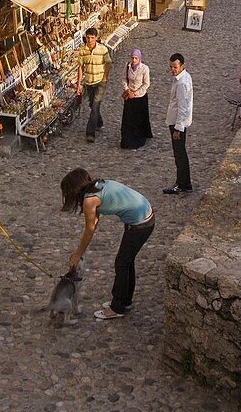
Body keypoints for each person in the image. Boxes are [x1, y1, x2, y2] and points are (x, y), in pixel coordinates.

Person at [62, 168, 155, 321]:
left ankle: (117, 307)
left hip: (140, 224)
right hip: (145, 216)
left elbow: (89, 230)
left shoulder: (89, 201)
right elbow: (94, 222)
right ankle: (125, 300)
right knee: (126, 261)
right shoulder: (99, 185)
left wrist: (77, 254)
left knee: (122, 263)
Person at [163, 53, 193, 194]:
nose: (172, 70)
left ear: (182, 66)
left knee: (179, 154)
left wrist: (178, 128)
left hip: (177, 122)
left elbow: (183, 107)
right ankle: (185, 182)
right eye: (171, 67)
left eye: (175, 67)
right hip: (178, 121)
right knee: (181, 153)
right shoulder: (184, 77)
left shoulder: (181, 83)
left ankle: (181, 183)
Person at [77, 27, 111, 143]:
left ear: (96, 38)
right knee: (92, 106)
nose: (90, 40)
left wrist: (105, 77)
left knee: (95, 105)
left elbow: (108, 63)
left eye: (92, 38)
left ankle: (90, 133)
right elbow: (80, 68)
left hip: (100, 82)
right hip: (88, 82)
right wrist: (78, 85)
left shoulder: (102, 49)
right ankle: (99, 122)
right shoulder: (83, 50)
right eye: (88, 37)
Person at [120, 50, 152, 150]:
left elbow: (146, 84)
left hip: (139, 97)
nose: (134, 60)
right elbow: (124, 78)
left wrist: (136, 93)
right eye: (132, 58)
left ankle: (137, 138)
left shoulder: (144, 68)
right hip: (129, 95)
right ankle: (126, 140)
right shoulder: (127, 66)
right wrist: (127, 90)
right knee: (128, 118)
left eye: (136, 58)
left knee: (138, 119)